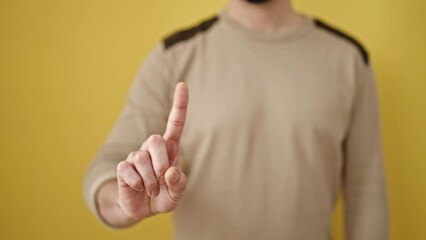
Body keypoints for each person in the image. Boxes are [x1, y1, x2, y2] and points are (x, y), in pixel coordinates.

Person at [83, 0, 389, 239]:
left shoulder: (349, 60)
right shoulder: (174, 56)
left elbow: (367, 196)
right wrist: (126, 202)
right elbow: (106, 168)